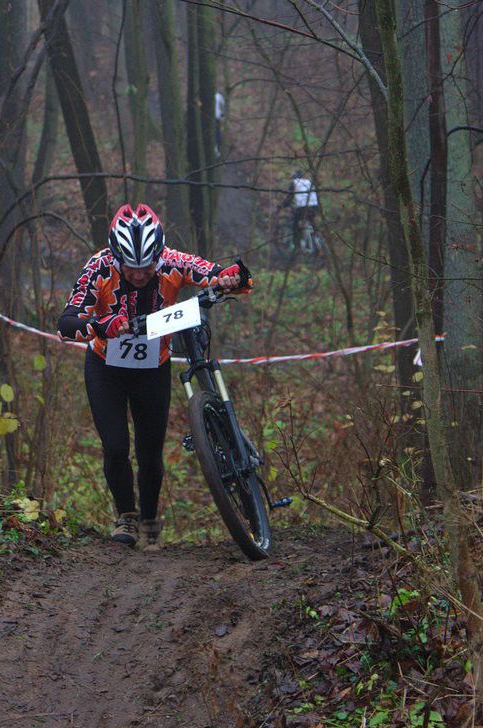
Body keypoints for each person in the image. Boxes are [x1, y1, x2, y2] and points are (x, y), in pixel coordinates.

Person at [57, 203, 248, 549]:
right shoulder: (98, 267)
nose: (140, 274)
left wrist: (232, 277)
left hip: (153, 369)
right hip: (105, 368)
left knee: (150, 452)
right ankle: (126, 516)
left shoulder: (172, 261)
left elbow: (211, 272)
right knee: (115, 446)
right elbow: (66, 323)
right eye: (131, 267)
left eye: (147, 266)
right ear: (116, 256)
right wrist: (100, 325)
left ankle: (149, 521)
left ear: (158, 254)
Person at [283, 171, 319, 251]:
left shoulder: (294, 182)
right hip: (315, 206)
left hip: (303, 207)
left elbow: (289, 198)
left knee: (295, 224)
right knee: (311, 222)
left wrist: (283, 205)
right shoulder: (308, 182)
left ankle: (296, 245)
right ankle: (316, 238)